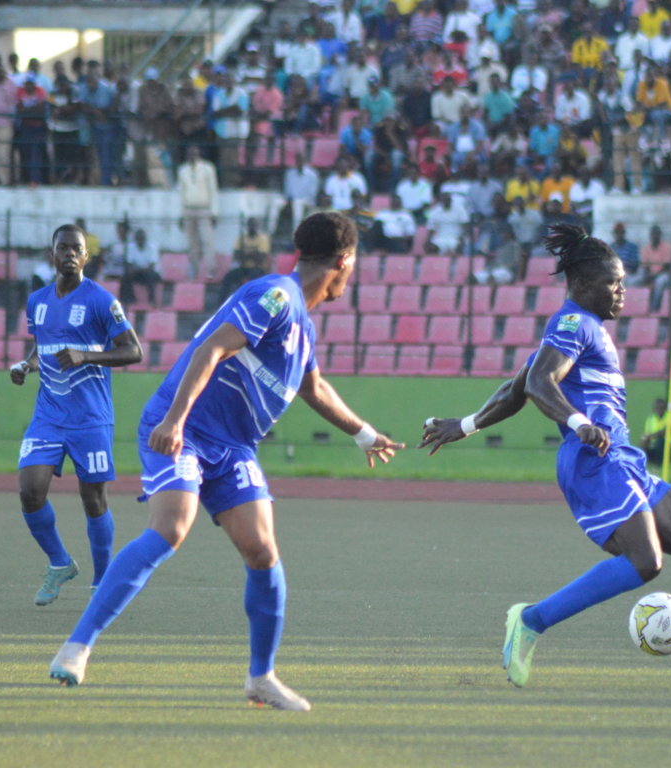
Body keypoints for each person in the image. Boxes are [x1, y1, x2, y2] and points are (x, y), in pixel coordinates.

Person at [418, 224, 671, 691]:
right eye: (613, 282)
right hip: (594, 461)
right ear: (583, 284)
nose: (622, 291)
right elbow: (538, 383)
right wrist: (579, 422)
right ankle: (531, 620)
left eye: (622, 282)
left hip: (622, 459)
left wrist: (467, 424)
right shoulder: (573, 322)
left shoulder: (584, 328)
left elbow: (518, 386)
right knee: (645, 561)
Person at [48, 212, 405, 709]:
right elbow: (214, 347)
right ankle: (77, 646)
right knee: (171, 527)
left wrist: (363, 434)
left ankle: (261, 677)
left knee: (262, 550)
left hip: (234, 447)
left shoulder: (302, 327)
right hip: (186, 429)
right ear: (345, 260)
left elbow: (314, 387)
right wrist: (175, 420)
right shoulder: (275, 295)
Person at [10, 224, 144, 606]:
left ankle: (102, 581)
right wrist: (27, 365)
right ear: (51, 254)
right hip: (48, 415)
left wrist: (86, 355)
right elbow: (43, 346)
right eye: (62, 248)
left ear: (86, 256)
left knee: (94, 500)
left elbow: (134, 351)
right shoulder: (36, 301)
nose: (69, 253)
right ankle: (60, 562)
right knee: (29, 491)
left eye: (76, 248)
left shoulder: (102, 301)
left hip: (90, 418)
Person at [177, 146, 219, 279]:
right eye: (190, 154)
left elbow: (213, 191)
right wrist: (181, 214)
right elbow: (181, 193)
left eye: (194, 154)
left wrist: (214, 212)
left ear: (199, 154)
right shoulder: (182, 170)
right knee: (191, 243)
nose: (192, 156)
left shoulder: (208, 168)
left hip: (204, 209)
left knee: (207, 241)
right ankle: (194, 271)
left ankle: (211, 270)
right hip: (188, 209)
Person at [221, 218, 272, 297]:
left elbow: (260, 258)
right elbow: (236, 256)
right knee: (228, 277)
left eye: (254, 226)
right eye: (250, 225)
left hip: (259, 269)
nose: (252, 228)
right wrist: (253, 254)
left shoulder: (263, 239)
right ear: (247, 226)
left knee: (253, 279)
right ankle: (223, 301)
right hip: (244, 268)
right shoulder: (241, 239)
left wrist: (245, 254)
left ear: (257, 227)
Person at [120, 228, 161, 306]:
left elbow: (151, 266)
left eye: (142, 238)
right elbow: (129, 264)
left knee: (150, 275)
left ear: (145, 238)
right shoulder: (131, 247)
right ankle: (130, 299)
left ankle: (152, 300)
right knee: (126, 275)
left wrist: (137, 269)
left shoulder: (152, 247)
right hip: (138, 273)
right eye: (138, 238)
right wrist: (135, 270)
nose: (140, 240)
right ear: (135, 239)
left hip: (151, 273)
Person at [640, 397, 671, 464]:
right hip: (656, 448)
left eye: (661, 408)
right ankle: (642, 461)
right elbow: (646, 435)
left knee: (661, 441)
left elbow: (663, 432)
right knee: (643, 441)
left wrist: (650, 436)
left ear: (665, 409)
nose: (659, 410)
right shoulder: (650, 420)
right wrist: (645, 440)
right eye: (657, 408)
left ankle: (658, 464)